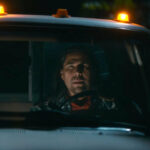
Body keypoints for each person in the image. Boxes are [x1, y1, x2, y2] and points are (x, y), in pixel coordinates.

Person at [32, 46, 117, 117]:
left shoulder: (110, 107)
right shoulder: (45, 109)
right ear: (62, 74)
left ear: (92, 73)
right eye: (71, 67)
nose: (77, 72)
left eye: (84, 66)